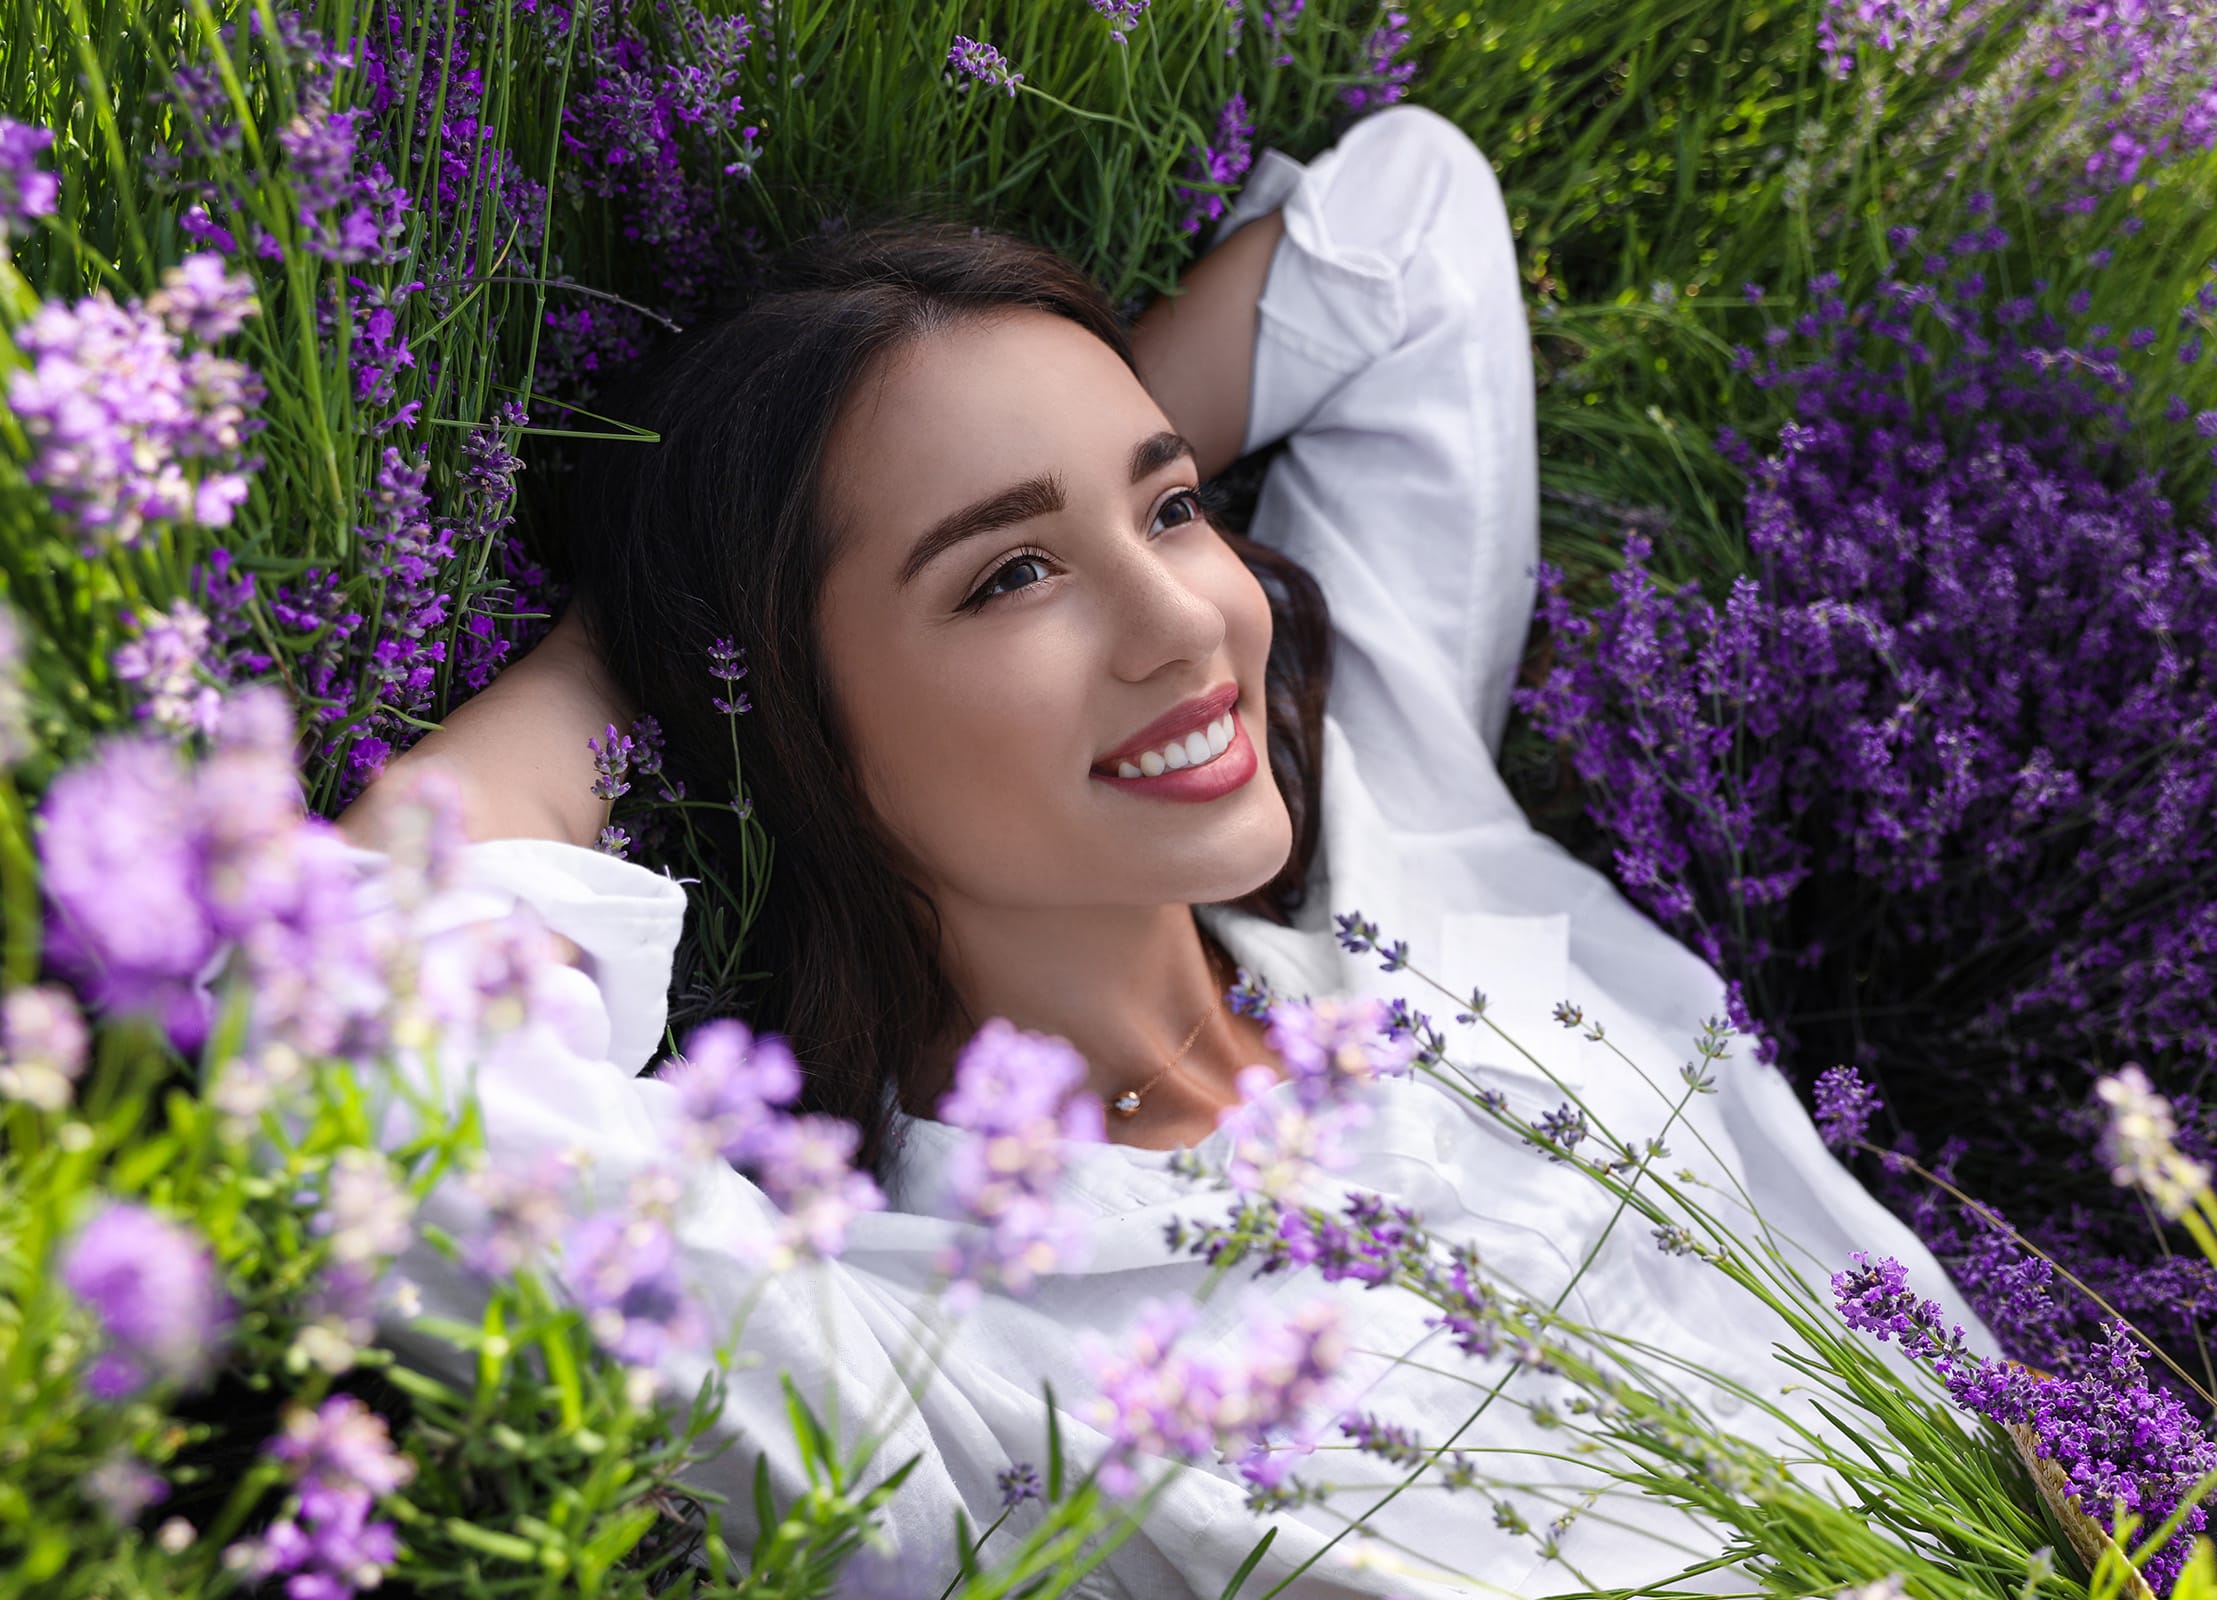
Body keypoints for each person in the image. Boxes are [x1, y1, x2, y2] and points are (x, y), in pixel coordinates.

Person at [337, 105, 1998, 1598]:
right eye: (1006, 582)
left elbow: (1409, 224)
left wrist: (1027, 449)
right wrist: (650, 667)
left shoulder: (1391, 836)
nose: (1184, 628)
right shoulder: (942, 1373)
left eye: (1175, 507)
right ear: (794, 714)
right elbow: (351, 1031)